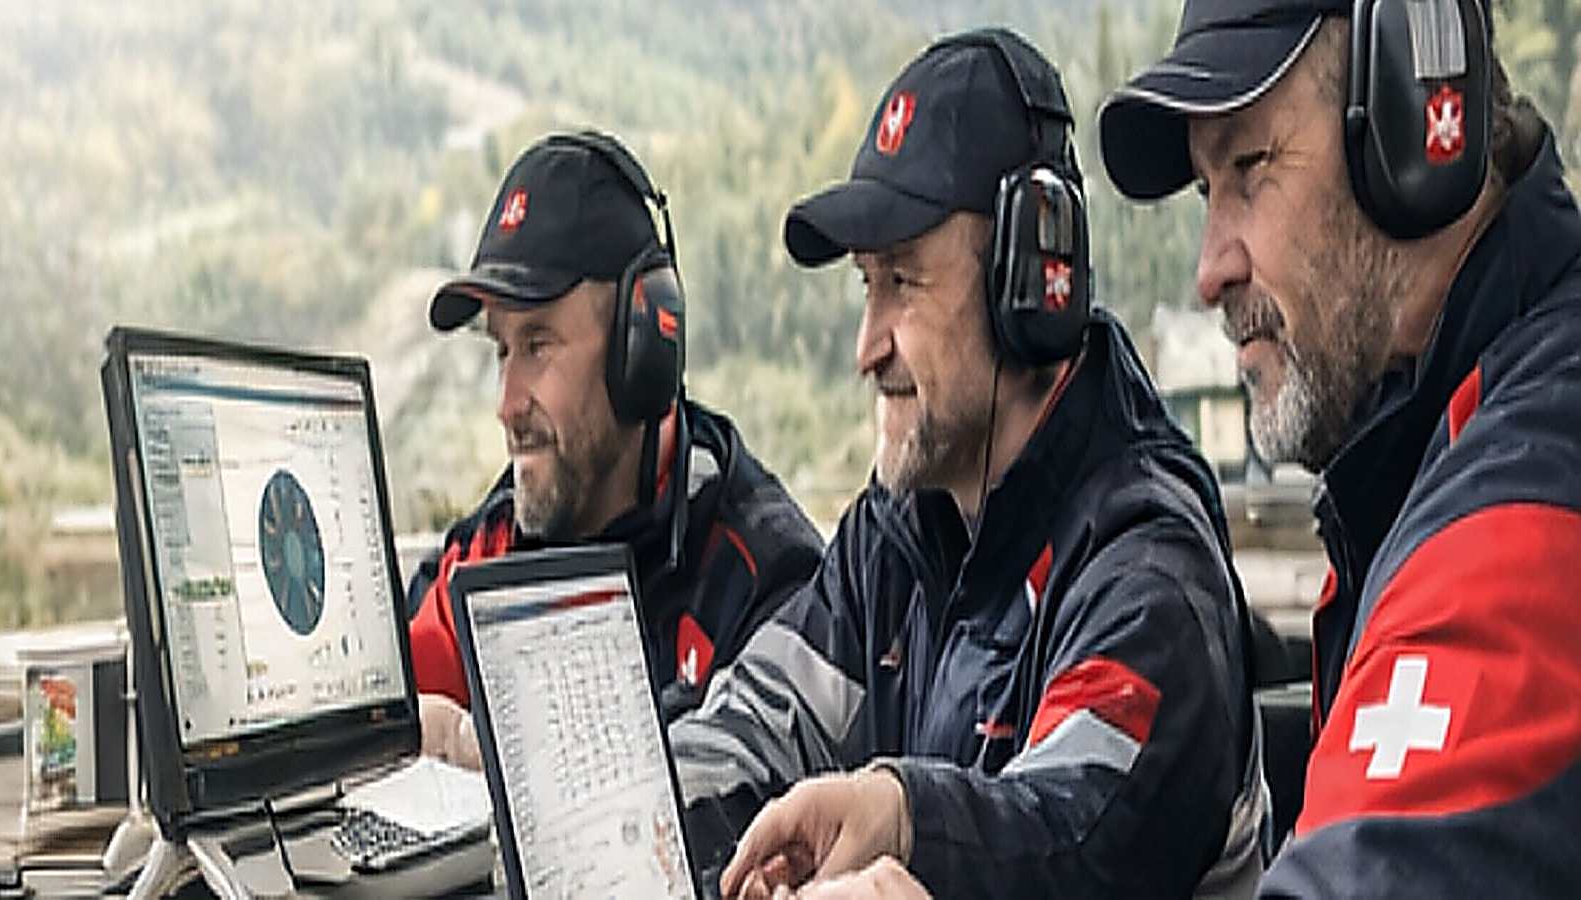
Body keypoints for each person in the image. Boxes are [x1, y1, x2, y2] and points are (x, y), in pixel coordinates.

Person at [670, 28, 1267, 898]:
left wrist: (903, 819)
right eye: (864, 286)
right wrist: (630, 830)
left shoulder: (1148, 575)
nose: (866, 347)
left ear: (1033, 282)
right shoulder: (898, 532)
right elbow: (756, 722)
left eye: (903, 284)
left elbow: (1069, 833)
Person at [1099, 0, 1581, 896]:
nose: (1210, 269)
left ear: (1417, 125)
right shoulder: (1421, 456)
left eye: (1250, 167)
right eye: (1209, 194)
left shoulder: (1527, 508)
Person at [408, 130, 824, 767]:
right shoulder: (495, 547)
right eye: (501, 350)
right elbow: (384, 693)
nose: (507, 402)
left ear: (644, 351)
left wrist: (485, 758)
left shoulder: (764, 580)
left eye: (539, 345)